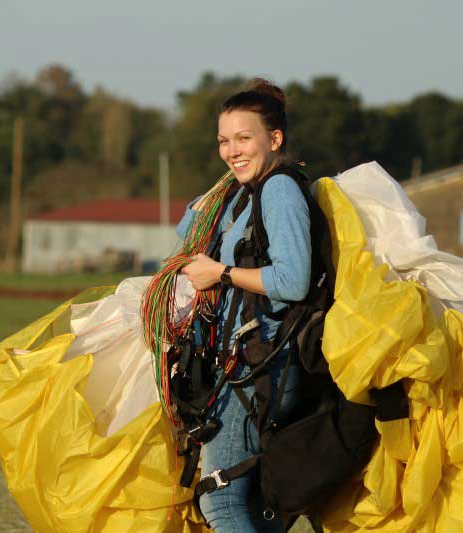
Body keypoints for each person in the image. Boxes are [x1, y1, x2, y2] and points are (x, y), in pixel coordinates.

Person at [177, 79, 311, 532]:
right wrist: (216, 194)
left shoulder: (279, 191)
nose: (231, 149)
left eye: (243, 138)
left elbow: (293, 281)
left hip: (264, 368)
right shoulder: (245, 191)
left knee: (221, 500)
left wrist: (222, 274)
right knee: (256, 512)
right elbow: (185, 237)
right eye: (223, 141)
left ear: (275, 139)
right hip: (250, 365)